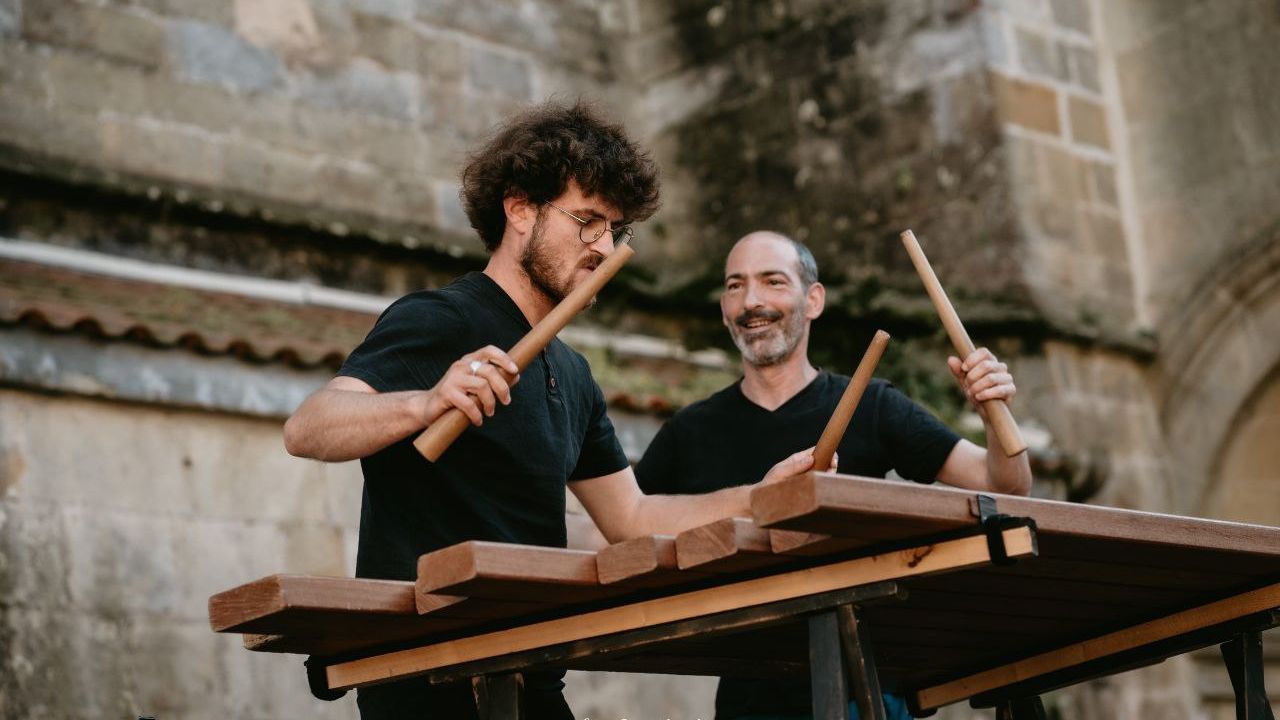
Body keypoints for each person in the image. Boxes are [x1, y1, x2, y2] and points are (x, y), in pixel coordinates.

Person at [282, 105, 817, 719]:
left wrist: (762, 497)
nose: (602, 247)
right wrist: (425, 402)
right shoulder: (441, 319)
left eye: (613, 229)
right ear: (519, 210)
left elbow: (632, 517)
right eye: (586, 221)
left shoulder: (574, 374)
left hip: (527, 666)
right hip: (426, 670)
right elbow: (309, 427)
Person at [635, 231, 1033, 720]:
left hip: (865, 686)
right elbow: (622, 525)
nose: (751, 300)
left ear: (814, 299)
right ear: (723, 308)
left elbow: (1005, 484)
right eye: (735, 286)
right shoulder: (689, 431)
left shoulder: (873, 404)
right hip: (747, 694)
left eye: (772, 282)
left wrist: (992, 411)